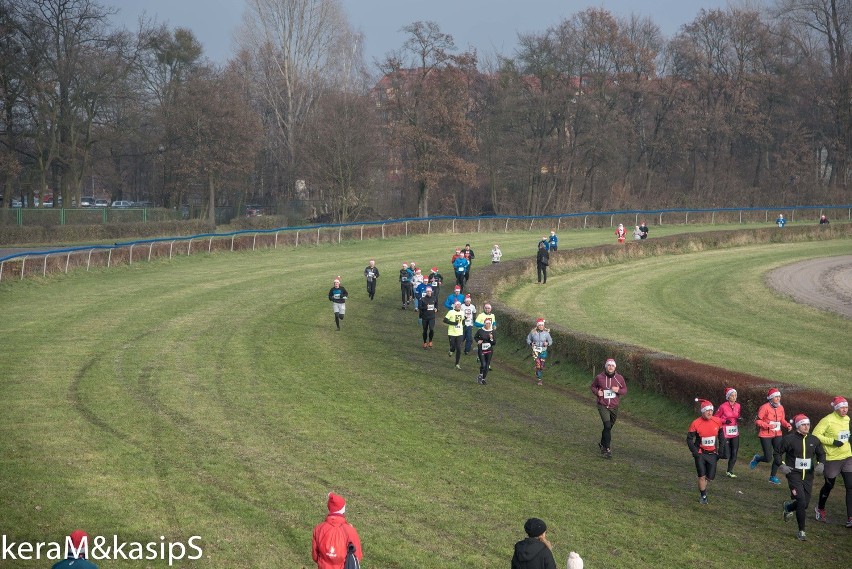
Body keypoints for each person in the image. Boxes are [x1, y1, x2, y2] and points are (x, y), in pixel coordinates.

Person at [779, 414, 826, 541]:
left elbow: (821, 454)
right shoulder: (789, 439)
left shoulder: (814, 440)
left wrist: (821, 463)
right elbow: (777, 453)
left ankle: (788, 507)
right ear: (798, 426)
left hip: (808, 476)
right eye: (804, 424)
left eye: (808, 424)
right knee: (800, 500)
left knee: (804, 504)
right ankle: (802, 531)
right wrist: (782, 465)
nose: (807, 427)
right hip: (793, 474)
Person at [812, 396, 851, 527]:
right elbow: (816, 434)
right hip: (832, 458)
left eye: (846, 407)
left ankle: (850, 518)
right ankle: (820, 508)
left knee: (850, 486)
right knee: (829, 485)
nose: (845, 410)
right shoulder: (827, 420)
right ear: (836, 408)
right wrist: (833, 441)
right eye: (842, 408)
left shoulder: (847, 419)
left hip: (847, 456)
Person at [750, 388, 793, 485]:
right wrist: (768, 426)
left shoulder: (781, 408)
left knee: (778, 457)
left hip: (777, 434)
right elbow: (758, 421)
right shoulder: (764, 407)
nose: (778, 398)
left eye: (779, 397)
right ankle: (757, 458)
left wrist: (787, 425)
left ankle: (772, 477)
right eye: (776, 397)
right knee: (768, 458)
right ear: (770, 398)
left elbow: (782, 420)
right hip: (765, 435)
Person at [312, 492, 363, 569]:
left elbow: (315, 556)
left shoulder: (319, 528)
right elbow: (357, 556)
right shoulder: (350, 530)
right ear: (343, 509)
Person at [687, 399, 724, 504]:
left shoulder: (717, 421)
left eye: (711, 410)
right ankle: (703, 496)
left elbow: (722, 437)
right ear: (702, 411)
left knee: (710, 477)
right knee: (701, 476)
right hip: (700, 454)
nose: (709, 412)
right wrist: (695, 452)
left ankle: (703, 489)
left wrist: (720, 451)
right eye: (707, 410)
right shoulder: (696, 423)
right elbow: (689, 439)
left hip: (713, 454)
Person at [590, 358, 627, 459]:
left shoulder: (619, 378)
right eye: (609, 365)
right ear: (606, 367)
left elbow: (624, 390)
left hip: (614, 407)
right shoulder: (599, 377)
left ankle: (602, 444)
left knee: (609, 427)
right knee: (607, 426)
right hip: (602, 405)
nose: (610, 367)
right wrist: (597, 392)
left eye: (612, 366)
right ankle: (607, 449)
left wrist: (618, 390)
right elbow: (593, 386)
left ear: (615, 367)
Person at [714, 387, 742, 478]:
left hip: (734, 432)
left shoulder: (738, 406)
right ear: (728, 397)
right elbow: (715, 417)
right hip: (724, 431)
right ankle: (712, 459)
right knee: (725, 454)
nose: (734, 397)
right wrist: (724, 421)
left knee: (734, 452)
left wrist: (739, 418)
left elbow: (737, 415)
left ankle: (729, 471)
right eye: (732, 395)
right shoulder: (723, 406)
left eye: (735, 395)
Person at [526, 318, 553, 386]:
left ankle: (538, 370)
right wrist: (531, 343)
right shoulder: (533, 332)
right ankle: (539, 380)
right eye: (540, 325)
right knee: (538, 365)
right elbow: (528, 339)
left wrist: (547, 343)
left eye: (542, 325)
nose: (541, 326)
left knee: (542, 366)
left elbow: (550, 341)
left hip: (543, 351)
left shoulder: (546, 333)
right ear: (537, 326)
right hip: (535, 351)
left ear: (543, 326)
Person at [443, 300, 465, 369]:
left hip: (459, 333)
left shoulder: (462, 312)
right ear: (455, 306)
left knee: (458, 348)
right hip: (451, 332)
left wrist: (463, 324)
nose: (458, 306)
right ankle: (451, 350)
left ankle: (457, 363)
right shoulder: (451, 312)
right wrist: (453, 323)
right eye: (457, 305)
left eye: (459, 305)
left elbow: (463, 321)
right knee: (453, 346)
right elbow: (445, 320)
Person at [474, 317, 495, 385]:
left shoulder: (492, 332)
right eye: (487, 323)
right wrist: (478, 341)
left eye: (489, 323)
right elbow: (475, 337)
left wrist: (491, 338)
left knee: (487, 365)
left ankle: (483, 379)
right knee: (483, 364)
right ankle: (480, 375)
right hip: (481, 349)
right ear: (484, 324)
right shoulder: (480, 331)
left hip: (489, 350)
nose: (488, 324)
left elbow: (494, 343)